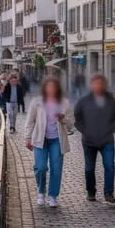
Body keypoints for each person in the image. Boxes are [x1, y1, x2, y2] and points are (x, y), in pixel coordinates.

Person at [25, 76, 74, 207]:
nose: (51, 89)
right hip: (40, 139)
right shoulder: (37, 102)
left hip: (57, 140)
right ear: (45, 88)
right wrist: (28, 138)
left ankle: (53, 196)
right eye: (48, 87)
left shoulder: (64, 103)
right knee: (40, 167)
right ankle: (41, 192)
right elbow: (30, 121)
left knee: (56, 169)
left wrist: (62, 118)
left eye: (54, 87)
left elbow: (70, 124)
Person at [74, 72, 115, 203]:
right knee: (89, 168)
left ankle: (109, 193)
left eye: (101, 83)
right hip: (89, 141)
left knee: (109, 166)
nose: (98, 86)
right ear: (91, 85)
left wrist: (111, 129)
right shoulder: (84, 101)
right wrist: (84, 131)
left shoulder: (111, 101)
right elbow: (77, 118)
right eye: (96, 83)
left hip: (107, 140)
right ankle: (91, 192)